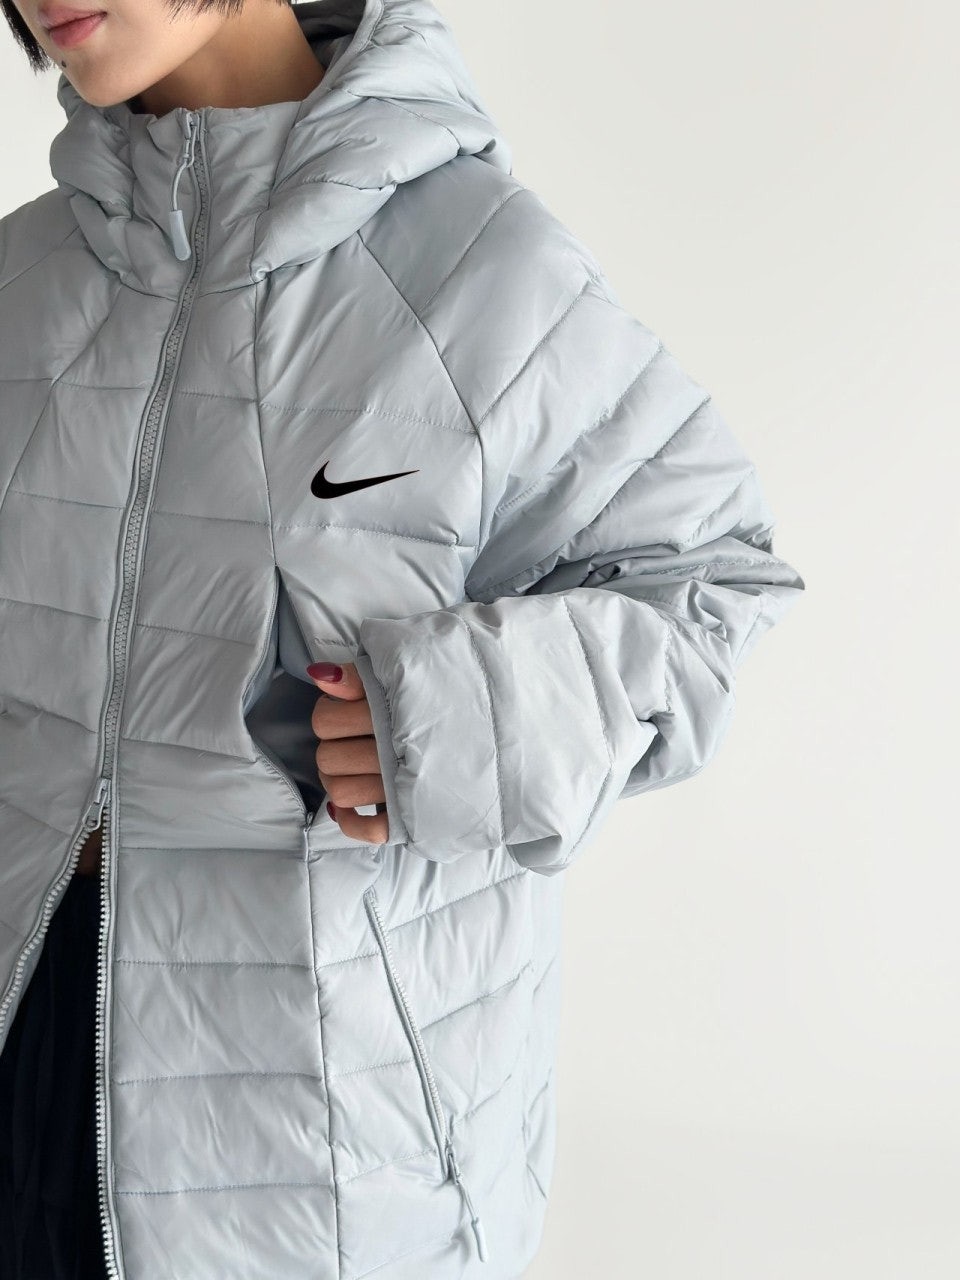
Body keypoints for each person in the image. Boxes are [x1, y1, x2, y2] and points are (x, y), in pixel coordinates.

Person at [0, 0, 806, 1276]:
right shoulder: (25, 275)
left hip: (317, 1126)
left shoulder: (478, 269)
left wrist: (455, 714)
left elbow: (714, 581)